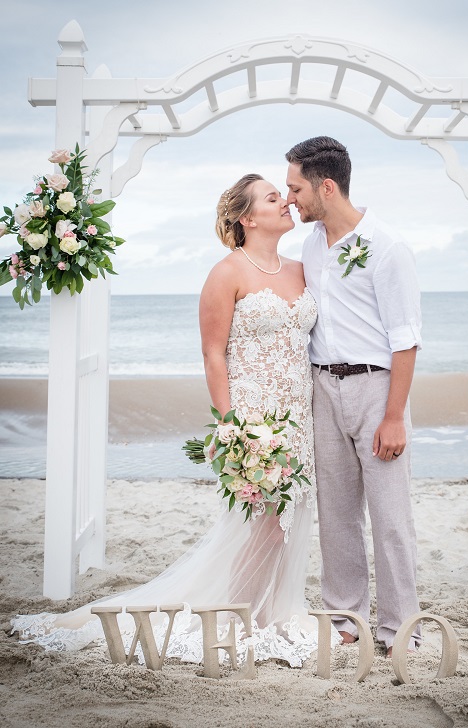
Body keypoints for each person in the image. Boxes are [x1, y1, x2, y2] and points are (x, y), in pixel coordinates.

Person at [12, 174, 325, 667]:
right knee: (258, 524)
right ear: (247, 218)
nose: (285, 201)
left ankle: (266, 616)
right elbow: (213, 355)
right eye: (272, 197)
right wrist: (230, 428)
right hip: (253, 415)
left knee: (284, 524)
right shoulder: (226, 273)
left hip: (298, 414)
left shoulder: (302, 269)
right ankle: (239, 622)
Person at [285, 136, 422, 656]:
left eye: (295, 188)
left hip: (376, 389)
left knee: (390, 517)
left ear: (326, 185)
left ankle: (398, 629)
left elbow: (405, 340)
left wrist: (394, 417)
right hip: (323, 386)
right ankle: (346, 620)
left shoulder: (388, 246)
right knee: (336, 512)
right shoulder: (310, 244)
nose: (290, 198)